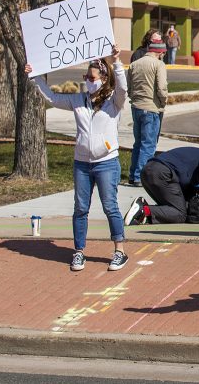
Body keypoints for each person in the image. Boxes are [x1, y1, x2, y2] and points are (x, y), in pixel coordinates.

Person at [26, 46, 129, 272]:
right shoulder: (78, 100)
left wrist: (117, 62)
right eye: (85, 77)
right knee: (81, 208)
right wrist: (34, 77)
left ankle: (119, 250)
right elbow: (52, 98)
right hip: (82, 163)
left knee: (110, 206)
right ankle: (79, 252)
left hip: (106, 162)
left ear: (103, 78)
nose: (88, 81)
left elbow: (123, 88)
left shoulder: (114, 102)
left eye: (92, 77)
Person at [125, 147, 199, 225]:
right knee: (180, 214)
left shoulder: (193, 166)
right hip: (162, 172)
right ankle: (143, 210)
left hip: (148, 171)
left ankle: (143, 215)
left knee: (172, 208)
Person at [127, 35, 168, 186]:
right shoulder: (158, 65)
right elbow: (162, 88)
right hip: (151, 108)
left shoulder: (134, 64)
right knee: (148, 144)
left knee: (138, 143)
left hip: (136, 107)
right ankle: (140, 177)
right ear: (160, 52)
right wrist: (163, 102)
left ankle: (133, 174)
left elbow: (129, 88)